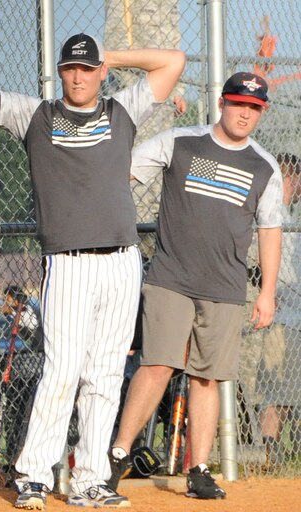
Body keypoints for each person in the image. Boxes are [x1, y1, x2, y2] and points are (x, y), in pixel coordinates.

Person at [0, 7, 184, 509]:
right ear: (59, 74)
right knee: (63, 368)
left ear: (101, 73)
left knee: (107, 372)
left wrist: (108, 54)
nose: (77, 76)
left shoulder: (122, 111)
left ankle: (92, 478)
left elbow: (173, 61)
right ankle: (33, 474)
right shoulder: (36, 115)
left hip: (121, 260)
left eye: (86, 68)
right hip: (68, 261)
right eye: (70, 68)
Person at [109, 72, 283, 501]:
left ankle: (198, 469)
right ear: (222, 103)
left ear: (261, 113)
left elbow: (270, 229)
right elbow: (121, 173)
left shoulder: (264, 165)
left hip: (224, 287)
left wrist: (267, 292)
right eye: (239, 103)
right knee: (158, 365)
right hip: (171, 278)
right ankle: (116, 455)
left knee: (207, 378)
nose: (245, 113)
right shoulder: (181, 141)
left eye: (254, 108)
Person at [257, 153, 301, 471]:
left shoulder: (287, 216)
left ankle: (275, 455)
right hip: (283, 317)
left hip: (291, 318)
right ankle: (270, 457)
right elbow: (281, 272)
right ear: (292, 178)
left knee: (285, 393)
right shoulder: (276, 216)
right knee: (278, 393)